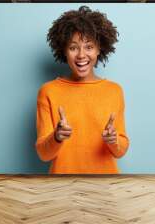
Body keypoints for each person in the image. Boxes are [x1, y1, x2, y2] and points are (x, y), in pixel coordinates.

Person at [35, 6, 129, 174]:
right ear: (64, 51)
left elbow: (120, 151)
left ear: (99, 49)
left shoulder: (114, 91)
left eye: (89, 47)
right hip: (62, 187)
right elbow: (43, 154)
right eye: (73, 47)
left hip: (105, 185)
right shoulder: (48, 91)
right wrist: (56, 137)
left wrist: (113, 141)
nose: (81, 55)